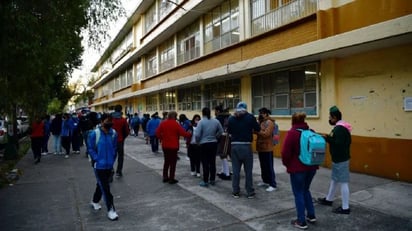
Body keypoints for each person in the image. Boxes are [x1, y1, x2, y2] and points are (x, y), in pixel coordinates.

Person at [281, 112, 318, 230]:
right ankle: (311, 215)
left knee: (298, 193)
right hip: (311, 167)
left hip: (297, 169)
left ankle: (301, 221)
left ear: (293, 120)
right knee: (306, 190)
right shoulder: (311, 131)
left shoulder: (292, 133)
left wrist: (288, 165)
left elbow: (285, 153)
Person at [317, 106, 352, 215]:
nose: (329, 119)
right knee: (335, 180)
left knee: (343, 182)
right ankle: (329, 199)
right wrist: (327, 137)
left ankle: (345, 208)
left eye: (330, 117)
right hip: (338, 159)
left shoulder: (340, 129)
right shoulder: (340, 127)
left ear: (335, 117)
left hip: (341, 160)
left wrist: (327, 138)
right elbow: (336, 140)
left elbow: (338, 143)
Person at [88, 113, 119, 221]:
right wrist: (96, 159)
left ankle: (95, 201)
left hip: (109, 165)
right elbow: (90, 148)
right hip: (99, 166)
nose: (109, 123)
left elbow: (115, 149)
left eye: (111, 121)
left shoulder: (114, 133)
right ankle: (111, 210)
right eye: (107, 121)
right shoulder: (94, 134)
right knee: (106, 188)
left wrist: (112, 160)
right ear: (101, 122)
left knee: (101, 184)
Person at [227, 101, 260, 198]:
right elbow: (257, 129)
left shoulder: (231, 118)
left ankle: (236, 191)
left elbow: (229, 131)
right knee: (248, 171)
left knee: (236, 170)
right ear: (245, 108)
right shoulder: (250, 117)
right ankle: (250, 192)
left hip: (234, 146)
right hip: (246, 146)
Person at [156, 111, 191, 184]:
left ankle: (165, 177)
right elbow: (183, 133)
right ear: (174, 116)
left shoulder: (163, 123)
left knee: (166, 161)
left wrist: (162, 138)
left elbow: (157, 133)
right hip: (173, 146)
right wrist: (190, 134)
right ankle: (171, 178)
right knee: (173, 163)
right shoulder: (176, 124)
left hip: (165, 145)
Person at [195, 107, 223, 187]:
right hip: (213, 143)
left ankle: (205, 181)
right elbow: (221, 131)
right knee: (212, 162)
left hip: (204, 144)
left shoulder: (201, 122)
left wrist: (198, 142)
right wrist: (216, 137)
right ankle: (212, 179)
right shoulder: (216, 121)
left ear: (203, 113)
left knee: (205, 163)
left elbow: (197, 135)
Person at [256, 107, 277, 192]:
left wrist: (257, 130)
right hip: (261, 147)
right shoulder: (261, 122)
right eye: (259, 113)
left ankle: (273, 184)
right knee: (263, 166)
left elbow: (266, 134)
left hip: (268, 148)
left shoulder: (269, 122)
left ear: (266, 114)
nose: (260, 115)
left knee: (269, 167)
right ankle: (265, 181)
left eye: (261, 113)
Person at [111, 104, 129, 178]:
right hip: (120, 140)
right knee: (120, 157)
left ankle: (110, 170)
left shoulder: (110, 119)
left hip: (111, 141)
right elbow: (127, 131)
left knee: (111, 156)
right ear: (121, 110)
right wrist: (123, 137)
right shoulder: (123, 120)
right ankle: (119, 172)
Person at [215, 105, 231, 181]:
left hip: (222, 138)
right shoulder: (229, 117)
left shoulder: (218, 118)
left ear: (218, 111)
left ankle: (227, 173)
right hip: (229, 138)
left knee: (223, 156)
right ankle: (223, 171)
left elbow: (217, 130)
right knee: (224, 156)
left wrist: (216, 137)